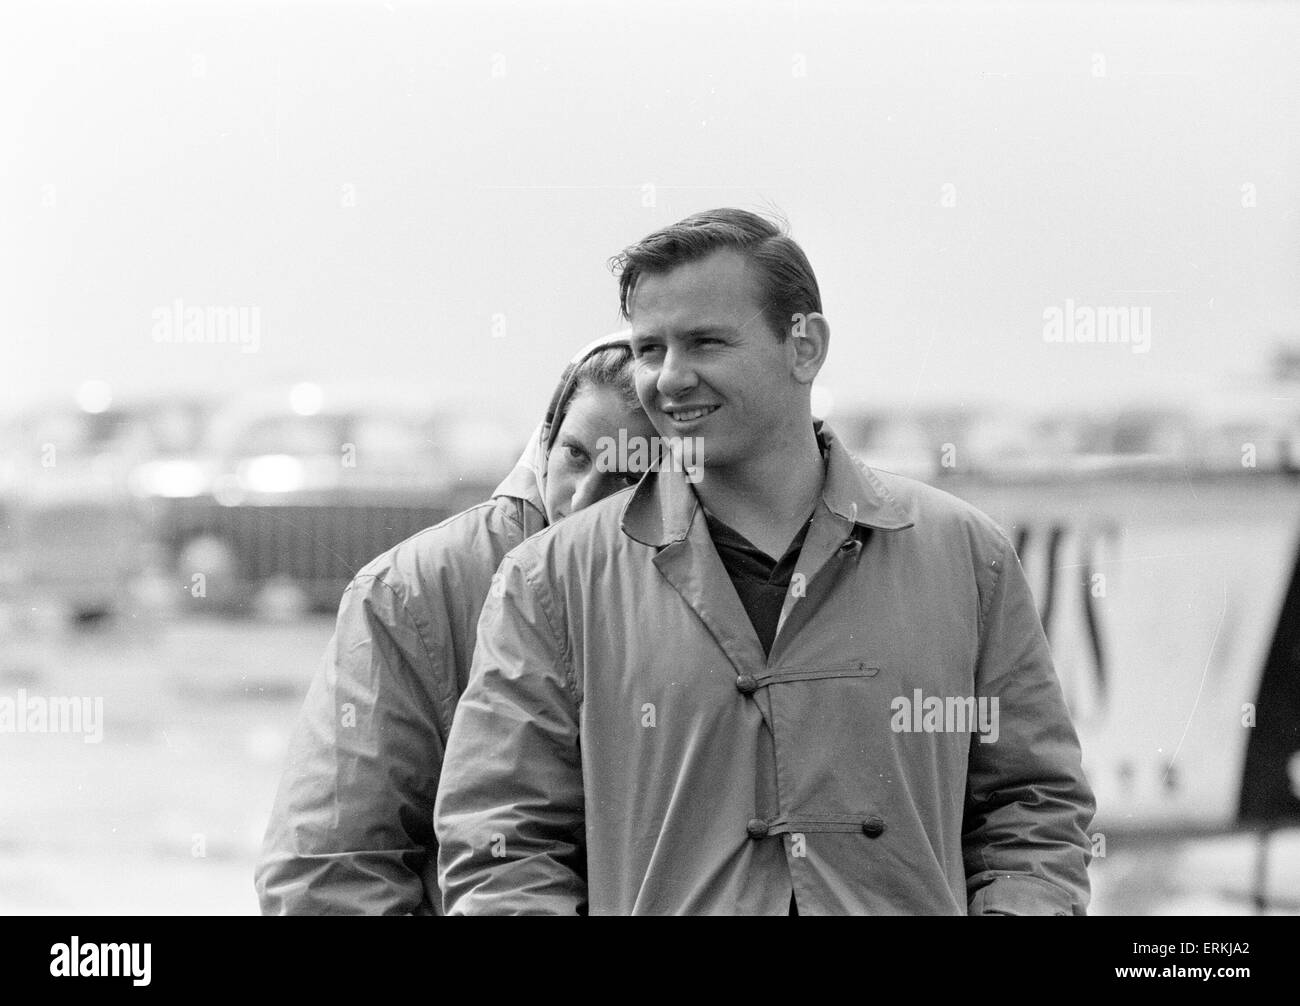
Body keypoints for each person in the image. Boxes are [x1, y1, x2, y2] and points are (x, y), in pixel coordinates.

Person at [434, 209, 1097, 915]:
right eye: (650, 348)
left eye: (705, 343)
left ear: (804, 346)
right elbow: (501, 842)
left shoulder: (967, 558)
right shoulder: (552, 582)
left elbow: (1035, 809)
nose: (669, 378)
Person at [255, 334, 658, 914]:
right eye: (575, 455)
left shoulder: (697, 596)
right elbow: (326, 874)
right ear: (545, 440)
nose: (581, 500)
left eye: (626, 475)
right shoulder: (414, 593)